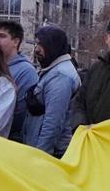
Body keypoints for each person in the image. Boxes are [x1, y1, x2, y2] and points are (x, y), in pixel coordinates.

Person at [23, 26, 81, 157]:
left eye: (42, 44)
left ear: (53, 46)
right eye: (37, 43)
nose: (37, 49)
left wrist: (40, 157)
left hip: (50, 154)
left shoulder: (61, 76)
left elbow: (53, 123)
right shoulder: (52, 70)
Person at [0, 21, 39, 141]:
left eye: (2, 36)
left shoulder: (26, 71)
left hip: (10, 139)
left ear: (16, 42)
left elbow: (21, 111)